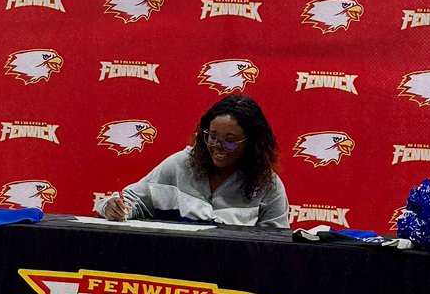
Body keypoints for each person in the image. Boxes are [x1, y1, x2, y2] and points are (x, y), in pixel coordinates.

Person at [100, 95, 289, 228]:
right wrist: (113, 207)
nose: (218, 146)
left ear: (252, 144)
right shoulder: (179, 165)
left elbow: (276, 245)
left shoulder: (267, 185)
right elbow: (131, 201)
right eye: (212, 136)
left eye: (230, 141)